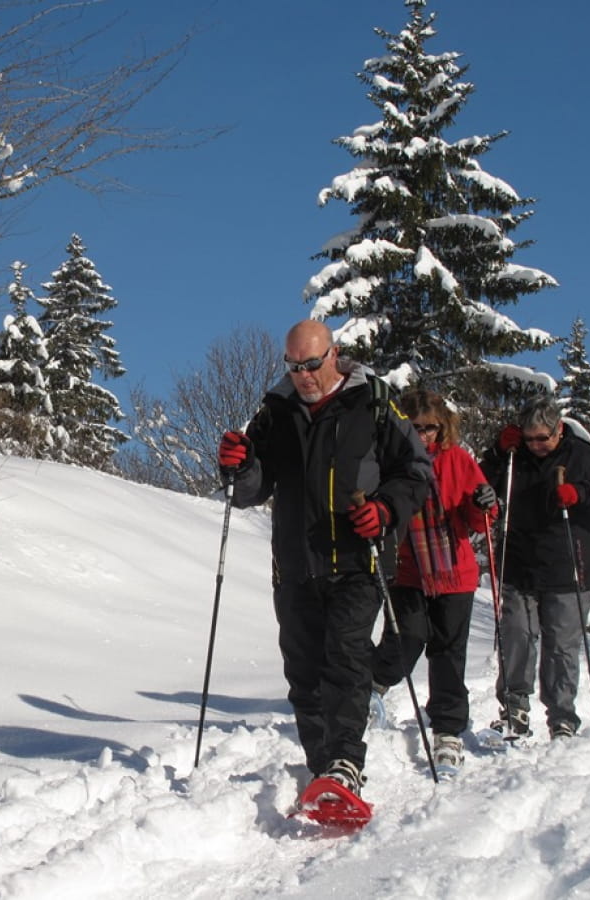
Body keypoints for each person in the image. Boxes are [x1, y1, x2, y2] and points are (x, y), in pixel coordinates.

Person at [217, 320, 431, 797]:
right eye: (294, 367)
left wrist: (386, 508)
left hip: (359, 559)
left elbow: (416, 472)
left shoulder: (373, 401)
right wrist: (239, 465)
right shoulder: (275, 411)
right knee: (304, 672)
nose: (304, 376)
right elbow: (252, 491)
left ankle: (345, 763)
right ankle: (323, 771)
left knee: (346, 657)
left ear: (334, 355)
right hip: (294, 565)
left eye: (312, 365)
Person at [478, 396, 590, 741]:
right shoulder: (514, 456)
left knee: (561, 645)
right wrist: (499, 452)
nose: (536, 446)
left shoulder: (583, 457)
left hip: (568, 565)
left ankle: (562, 716)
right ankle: (514, 708)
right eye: (529, 439)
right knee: (516, 635)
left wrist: (582, 494)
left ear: (559, 429)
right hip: (519, 562)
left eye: (542, 438)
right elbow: (481, 485)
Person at [367, 389, 496, 770]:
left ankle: (448, 730)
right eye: (415, 427)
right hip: (407, 569)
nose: (424, 435)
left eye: (431, 428)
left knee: (448, 653)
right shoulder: (390, 460)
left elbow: (480, 521)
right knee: (406, 638)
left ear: (444, 428)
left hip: (454, 572)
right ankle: (371, 686)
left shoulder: (458, 460)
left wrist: (483, 504)